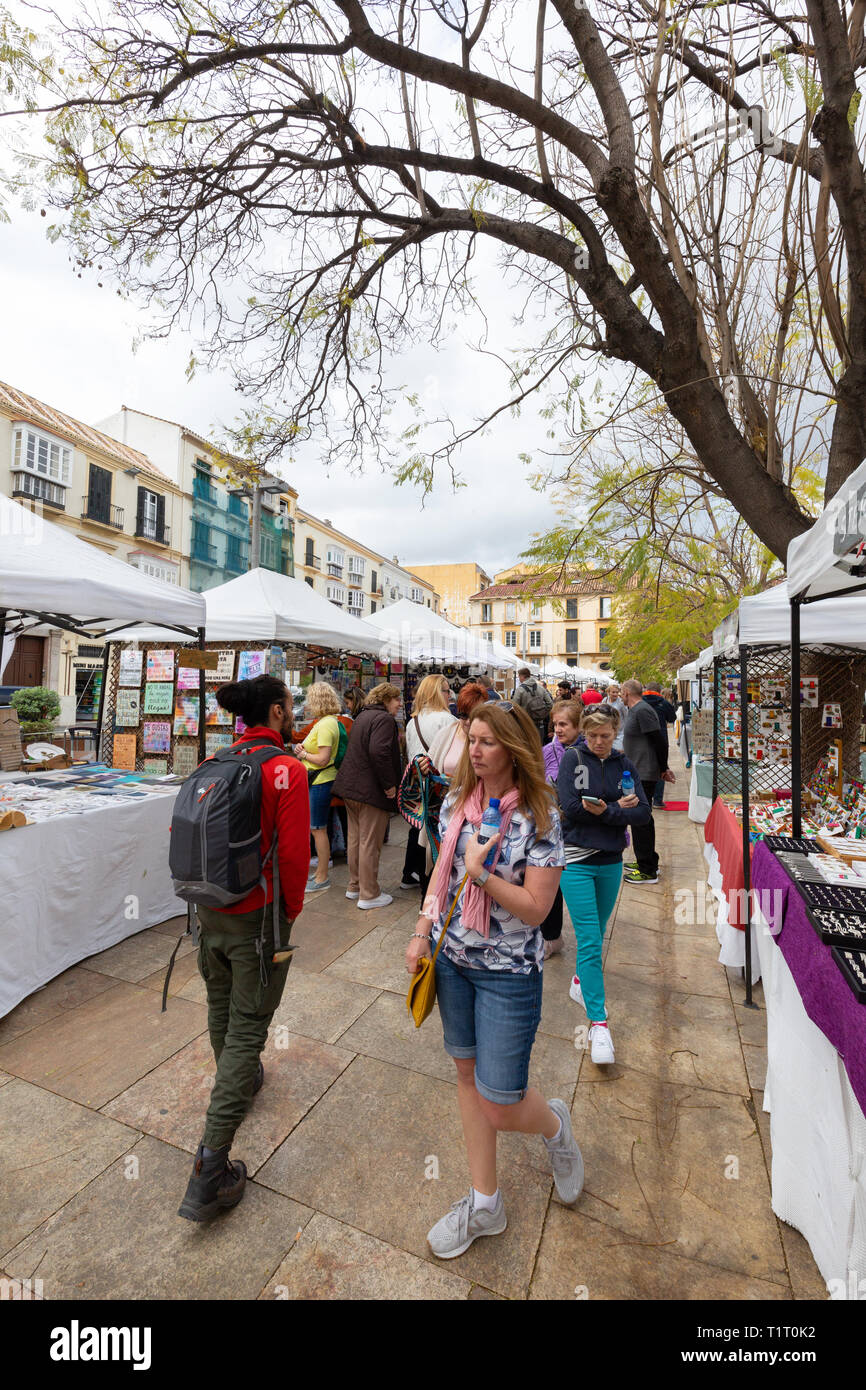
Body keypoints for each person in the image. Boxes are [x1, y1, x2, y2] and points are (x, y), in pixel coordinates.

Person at [405, 698, 583, 1258]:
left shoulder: (542, 816)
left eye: (486, 741)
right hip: (454, 960)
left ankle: (553, 1126)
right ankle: (486, 1203)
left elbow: (535, 909)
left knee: (501, 1102)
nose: (473, 751)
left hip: (509, 972)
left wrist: (483, 875)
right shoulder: (458, 800)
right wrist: (420, 929)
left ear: (513, 747)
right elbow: (442, 871)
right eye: (470, 739)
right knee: (466, 1078)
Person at [178, 675, 310, 1222]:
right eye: (289, 705)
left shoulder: (219, 759)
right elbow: (295, 859)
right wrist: (290, 913)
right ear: (277, 711)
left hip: (208, 910)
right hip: (258, 918)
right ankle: (211, 1170)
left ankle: (241, 1077)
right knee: (249, 1024)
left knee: (220, 1006)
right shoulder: (286, 770)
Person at [556, 703, 649, 1064]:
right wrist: (618, 809)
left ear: (616, 732)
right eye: (592, 735)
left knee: (598, 928)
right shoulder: (571, 759)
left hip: (610, 861)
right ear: (583, 731)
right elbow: (570, 806)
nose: (598, 742)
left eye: (605, 736)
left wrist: (608, 811)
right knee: (591, 940)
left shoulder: (623, 764)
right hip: (576, 861)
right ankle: (599, 1024)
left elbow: (641, 812)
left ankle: (580, 982)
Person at [332, 682, 403, 909]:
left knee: (355, 839)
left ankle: (355, 886)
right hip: (369, 790)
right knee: (369, 842)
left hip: (351, 788)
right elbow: (378, 752)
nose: (399, 704)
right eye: (396, 700)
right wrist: (389, 785)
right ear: (386, 700)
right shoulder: (383, 719)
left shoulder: (363, 716)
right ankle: (369, 893)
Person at [402, 675, 456, 889]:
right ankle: (432, 876)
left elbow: (410, 755)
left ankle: (410, 872)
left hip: (417, 782)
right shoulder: (448, 720)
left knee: (417, 827)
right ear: (435, 693)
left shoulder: (412, 721)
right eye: (445, 690)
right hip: (439, 784)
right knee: (437, 831)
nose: (449, 694)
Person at [540, 698, 584, 958]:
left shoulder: (588, 751)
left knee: (575, 888)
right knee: (549, 884)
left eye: (564, 724)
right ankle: (550, 936)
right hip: (551, 827)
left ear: (578, 726)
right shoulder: (548, 751)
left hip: (580, 830)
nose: (558, 729)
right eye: (555, 724)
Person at [620, 679, 675, 884]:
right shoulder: (636, 710)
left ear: (626, 692)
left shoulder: (642, 710)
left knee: (640, 818)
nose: (620, 695)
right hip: (637, 770)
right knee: (642, 818)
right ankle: (647, 860)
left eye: (621, 692)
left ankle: (647, 870)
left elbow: (658, 740)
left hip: (645, 771)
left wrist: (664, 768)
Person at [296, 682, 344, 897]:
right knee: (316, 828)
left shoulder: (325, 724)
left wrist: (303, 754)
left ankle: (322, 876)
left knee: (317, 829)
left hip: (320, 781)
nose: (307, 703)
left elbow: (323, 759)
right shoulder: (329, 722)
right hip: (321, 780)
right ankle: (319, 874)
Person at [642, 686, 677, 809]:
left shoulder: (639, 702)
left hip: (643, 738)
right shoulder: (664, 703)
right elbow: (672, 718)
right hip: (661, 737)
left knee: (644, 766)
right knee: (661, 766)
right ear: (659, 691)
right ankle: (657, 800)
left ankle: (645, 798)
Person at [512, 666, 553, 745]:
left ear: (522, 676)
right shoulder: (541, 688)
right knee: (538, 747)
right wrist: (542, 715)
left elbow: (514, 707)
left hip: (524, 725)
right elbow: (550, 704)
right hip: (539, 725)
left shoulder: (520, 690)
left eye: (519, 676)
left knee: (526, 749)